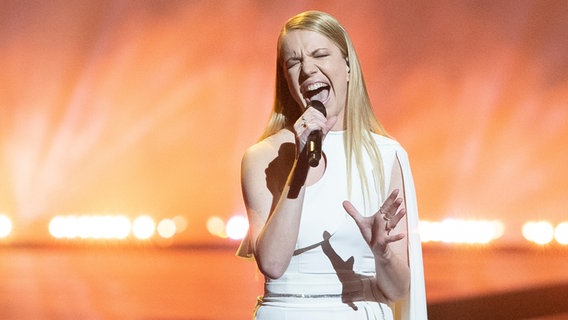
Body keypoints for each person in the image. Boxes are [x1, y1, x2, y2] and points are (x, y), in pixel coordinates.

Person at [237, 10, 427, 320]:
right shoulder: (263, 156)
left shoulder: (386, 155)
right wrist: (300, 164)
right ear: (285, 79)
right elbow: (272, 263)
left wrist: (382, 252)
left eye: (319, 55)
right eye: (293, 62)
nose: (307, 69)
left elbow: (399, 290)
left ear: (348, 66)